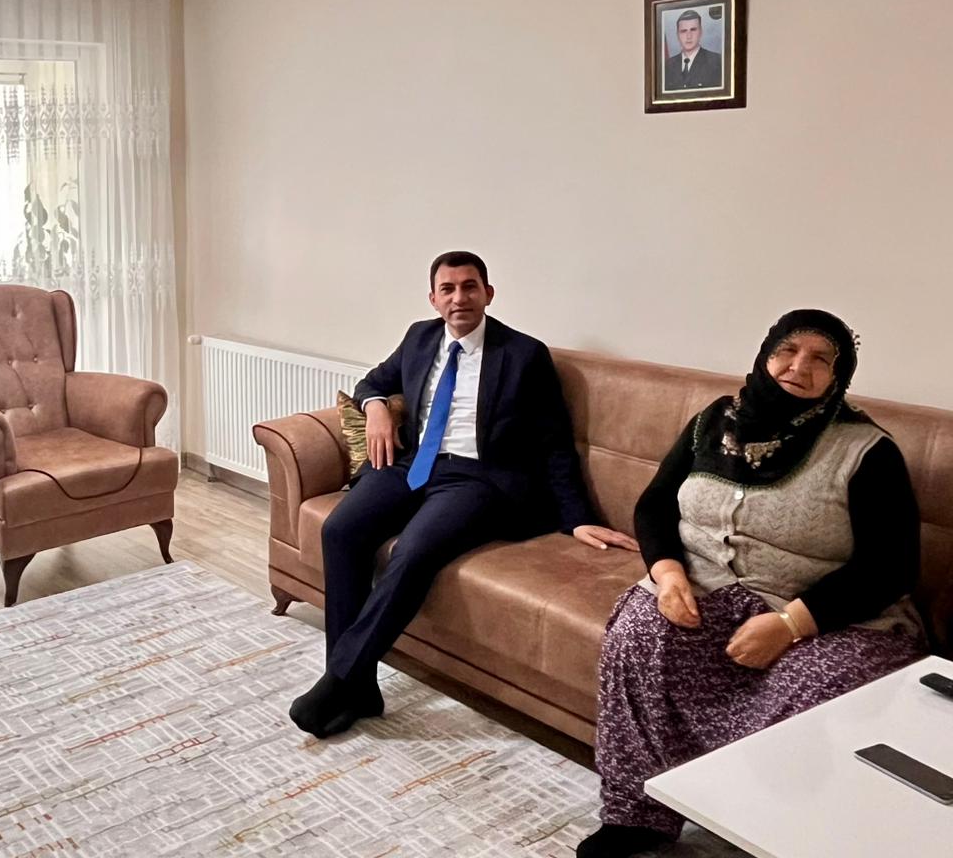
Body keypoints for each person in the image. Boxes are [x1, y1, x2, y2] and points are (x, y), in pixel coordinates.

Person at [578, 309, 926, 858]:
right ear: (766, 354)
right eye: (788, 350)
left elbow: (891, 567)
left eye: (821, 359)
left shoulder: (866, 450)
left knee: (819, 686)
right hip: (707, 589)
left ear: (839, 376)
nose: (799, 366)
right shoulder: (713, 421)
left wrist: (790, 623)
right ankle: (637, 814)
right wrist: (667, 574)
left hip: (831, 615)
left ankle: (768, 828)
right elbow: (654, 505)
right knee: (638, 633)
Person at [289, 251, 636, 738]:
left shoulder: (523, 354)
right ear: (433, 299)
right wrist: (376, 408)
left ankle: (338, 680)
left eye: (469, 287)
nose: (459, 298)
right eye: (447, 289)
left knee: (414, 551)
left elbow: (554, 442)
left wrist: (577, 516)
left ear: (488, 294)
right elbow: (373, 381)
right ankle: (359, 688)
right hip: (414, 465)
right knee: (341, 530)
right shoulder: (419, 337)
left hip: (478, 477)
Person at [660, 9, 723, 92]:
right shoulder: (666, 66)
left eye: (693, 30)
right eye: (683, 31)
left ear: (700, 32)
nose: (688, 36)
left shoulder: (717, 62)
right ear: (677, 35)